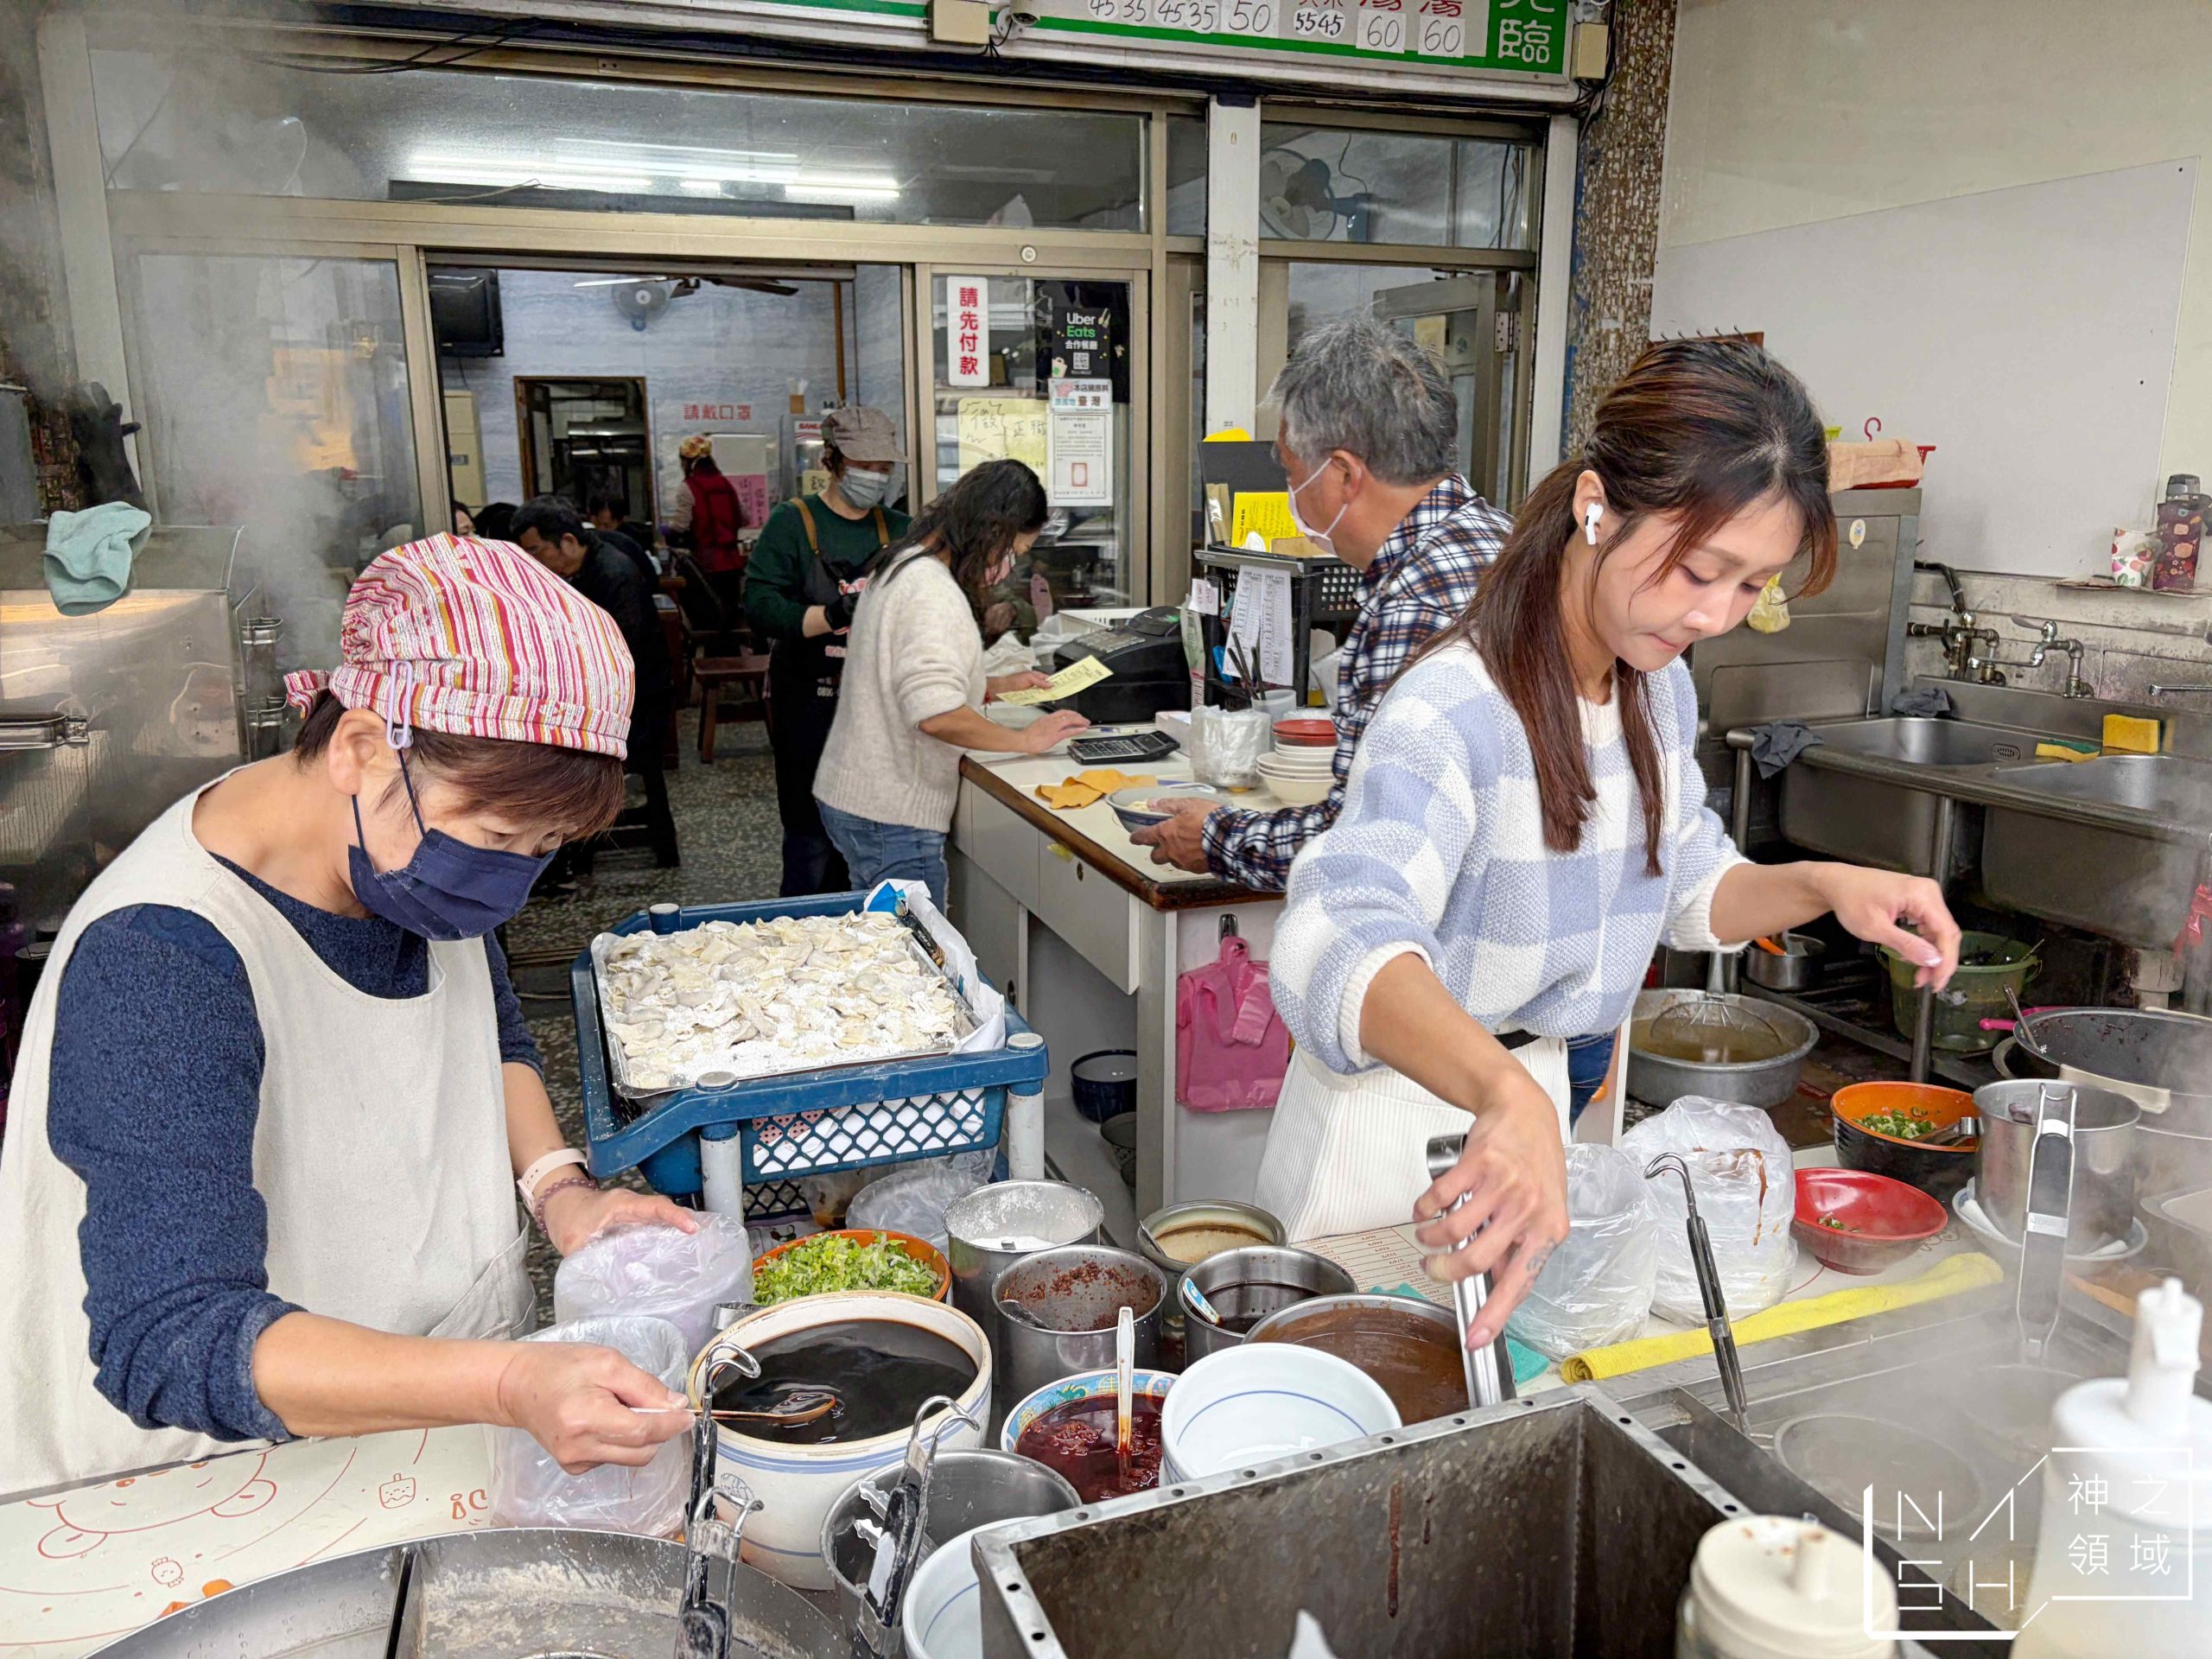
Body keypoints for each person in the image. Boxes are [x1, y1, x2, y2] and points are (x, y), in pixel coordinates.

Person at [1264, 339, 1964, 1347]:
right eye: (1697, 570)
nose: (1712, 615)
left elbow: (1682, 881)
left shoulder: (1654, 686)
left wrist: (1820, 883)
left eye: (1747, 588)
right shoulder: (1454, 706)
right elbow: (1333, 932)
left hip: (1541, 1107)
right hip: (1393, 1123)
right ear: (1596, 505)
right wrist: (1502, 1093)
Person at [0, 535, 697, 1497]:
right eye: (500, 838)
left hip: (415, 1427)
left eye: (540, 850)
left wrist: (558, 1190)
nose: (508, 881)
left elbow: (482, 1029)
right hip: (212, 1486)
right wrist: (507, 1381)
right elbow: (169, 1335)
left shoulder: (404, 856)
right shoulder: (163, 956)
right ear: (365, 746)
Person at [1130, 318, 1510, 890]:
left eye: (1288, 470)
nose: (1288, 494)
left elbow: (1364, 842)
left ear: (1341, 475)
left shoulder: (1413, 603)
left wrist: (1218, 838)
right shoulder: (1506, 540)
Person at [814, 460, 1085, 908]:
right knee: (916, 961)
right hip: (892, 813)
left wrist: (991, 685)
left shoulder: (903, 563)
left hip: (859, 794)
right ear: (992, 531)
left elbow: (898, 677)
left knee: (886, 945)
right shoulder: (933, 593)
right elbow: (935, 716)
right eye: (1015, 549)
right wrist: (1025, 739)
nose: (1010, 565)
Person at [743, 407, 911, 895]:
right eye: (866, 464)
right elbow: (760, 606)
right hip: (807, 701)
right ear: (831, 460)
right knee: (810, 834)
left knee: (870, 832)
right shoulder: (792, 523)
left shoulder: (900, 528)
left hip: (875, 705)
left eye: (885, 468)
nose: (876, 476)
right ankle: (801, 936)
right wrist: (834, 615)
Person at [512, 498, 680, 869]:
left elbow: (621, 656)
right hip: (607, 697)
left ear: (568, 542)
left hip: (635, 709)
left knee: (544, 751)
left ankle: (567, 854)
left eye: (535, 551)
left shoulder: (614, 573)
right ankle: (563, 852)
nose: (532, 561)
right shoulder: (582, 568)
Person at [669, 436, 747, 620]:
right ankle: (733, 647)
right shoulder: (725, 483)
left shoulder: (689, 486)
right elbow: (745, 517)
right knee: (731, 613)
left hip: (706, 562)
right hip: (733, 561)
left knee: (708, 615)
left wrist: (667, 530)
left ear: (688, 461)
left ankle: (711, 647)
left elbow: (681, 525)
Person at [588, 490, 658, 565]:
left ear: (621, 520)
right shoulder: (585, 535)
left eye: (607, 526)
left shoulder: (632, 541)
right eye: (598, 524)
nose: (601, 529)